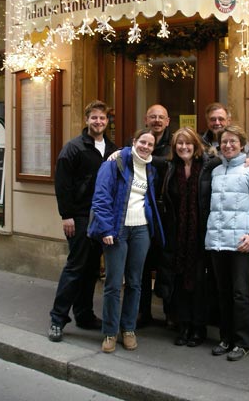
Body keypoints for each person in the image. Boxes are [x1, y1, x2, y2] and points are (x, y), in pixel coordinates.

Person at [88, 128, 165, 353]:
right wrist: (106, 229)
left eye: (150, 145)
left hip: (141, 230)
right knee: (113, 283)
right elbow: (101, 197)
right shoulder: (114, 163)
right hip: (117, 230)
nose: (145, 147)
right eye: (142, 142)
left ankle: (128, 329)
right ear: (134, 141)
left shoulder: (151, 169)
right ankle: (110, 333)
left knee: (135, 282)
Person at [47, 100, 118, 343]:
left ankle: (84, 315)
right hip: (78, 217)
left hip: (101, 217)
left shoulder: (111, 149)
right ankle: (57, 318)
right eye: (94, 118)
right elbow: (63, 184)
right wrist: (65, 215)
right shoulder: (74, 148)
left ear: (107, 122)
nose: (99, 122)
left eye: (103, 118)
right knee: (76, 267)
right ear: (87, 120)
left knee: (90, 270)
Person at [205, 125, 249, 362]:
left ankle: (243, 342)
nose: (227, 145)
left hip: (241, 243)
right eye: (224, 142)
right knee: (222, 292)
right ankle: (226, 338)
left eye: (232, 141)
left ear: (242, 145)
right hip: (217, 241)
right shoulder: (216, 171)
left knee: (239, 293)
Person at [159, 127, 220, 347]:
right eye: (179, 144)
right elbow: (141, 155)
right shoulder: (169, 168)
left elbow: (235, 163)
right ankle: (183, 325)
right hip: (177, 234)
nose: (184, 147)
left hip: (200, 234)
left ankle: (198, 327)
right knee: (179, 280)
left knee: (199, 281)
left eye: (188, 143)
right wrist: (120, 153)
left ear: (196, 145)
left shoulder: (209, 165)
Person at [138, 104, 171, 327]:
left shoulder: (177, 142)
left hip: (168, 215)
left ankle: (171, 315)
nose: (157, 120)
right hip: (143, 214)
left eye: (161, 117)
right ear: (146, 120)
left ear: (167, 121)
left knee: (168, 266)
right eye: (153, 117)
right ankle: (143, 313)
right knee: (141, 266)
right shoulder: (141, 143)